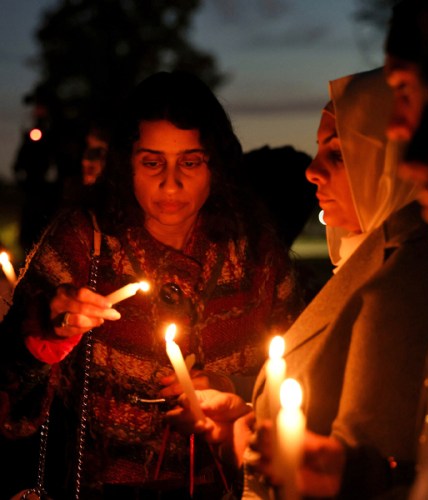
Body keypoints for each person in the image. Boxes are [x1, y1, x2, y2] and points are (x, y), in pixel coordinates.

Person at [0, 71, 299, 499]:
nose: (171, 183)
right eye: (152, 162)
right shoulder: (84, 242)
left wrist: (236, 391)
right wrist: (44, 332)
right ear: (127, 164)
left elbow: (296, 373)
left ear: (216, 164)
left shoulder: (255, 254)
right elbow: (8, 382)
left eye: (190, 162)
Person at [189, 67, 428, 499]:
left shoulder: (401, 288)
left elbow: (358, 464)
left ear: (388, 162)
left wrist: (260, 448)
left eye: (338, 155)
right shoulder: (366, 258)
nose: (312, 171)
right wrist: (242, 402)